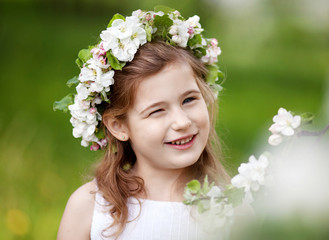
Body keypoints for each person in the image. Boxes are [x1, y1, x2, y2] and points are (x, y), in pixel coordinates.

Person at [56, 8, 229, 240]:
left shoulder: (231, 209)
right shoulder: (90, 208)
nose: (182, 122)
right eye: (157, 111)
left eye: (189, 100)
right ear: (118, 126)